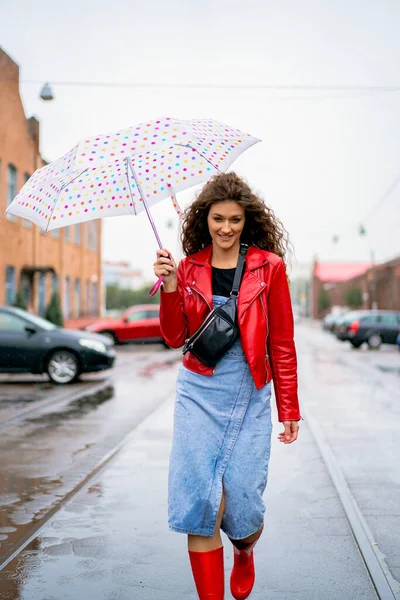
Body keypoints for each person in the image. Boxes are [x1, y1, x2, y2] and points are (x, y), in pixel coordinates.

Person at [153, 172, 300, 600]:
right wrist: (170, 287)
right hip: (198, 389)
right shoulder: (187, 266)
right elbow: (174, 336)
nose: (226, 228)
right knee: (201, 505)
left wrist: (288, 409)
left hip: (250, 386)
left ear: (246, 221)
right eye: (218, 219)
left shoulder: (269, 268)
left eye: (235, 220)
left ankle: (245, 549)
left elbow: (282, 343)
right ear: (206, 218)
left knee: (244, 504)